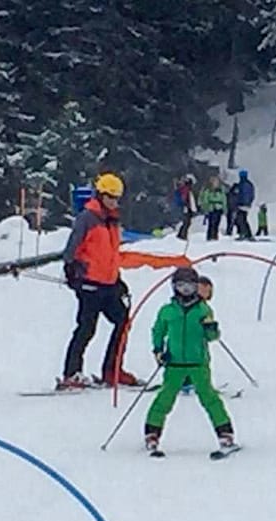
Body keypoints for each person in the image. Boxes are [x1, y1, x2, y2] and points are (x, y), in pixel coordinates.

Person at [58, 173, 191, 390]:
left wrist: (117, 279)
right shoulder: (88, 218)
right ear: (100, 195)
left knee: (122, 321)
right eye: (110, 197)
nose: (114, 202)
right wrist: (72, 269)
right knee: (86, 328)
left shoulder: (112, 220)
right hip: (89, 284)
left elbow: (110, 254)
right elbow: (71, 249)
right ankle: (71, 374)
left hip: (108, 284)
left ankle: (113, 370)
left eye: (117, 198)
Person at [144, 267, 236, 454]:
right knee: (165, 398)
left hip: (198, 363)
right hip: (174, 364)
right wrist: (158, 350)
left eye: (189, 287)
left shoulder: (203, 309)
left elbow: (212, 337)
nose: (185, 291)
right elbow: (158, 331)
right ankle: (152, 433)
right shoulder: (167, 311)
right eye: (180, 286)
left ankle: (225, 433)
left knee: (209, 398)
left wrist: (210, 327)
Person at [198, 176, 226, 241]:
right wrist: (206, 208)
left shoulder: (221, 190)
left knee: (217, 223)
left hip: (219, 208)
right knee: (211, 223)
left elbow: (224, 199)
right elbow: (205, 199)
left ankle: (215, 236)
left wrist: (224, 208)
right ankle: (210, 236)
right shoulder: (208, 190)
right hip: (211, 208)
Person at [233, 169, 255, 240]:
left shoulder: (242, 185)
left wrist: (239, 202)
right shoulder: (249, 184)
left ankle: (244, 233)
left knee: (241, 220)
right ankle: (247, 234)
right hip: (246, 204)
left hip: (242, 204)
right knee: (243, 219)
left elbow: (242, 195)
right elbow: (251, 195)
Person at [175, 174, 198, 240]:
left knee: (187, 222)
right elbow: (187, 198)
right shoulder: (186, 188)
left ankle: (181, 235)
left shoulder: (185, 188)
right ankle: (182, 235)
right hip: (186, 207)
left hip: (186, 207)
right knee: (187, 222)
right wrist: (188, 206)